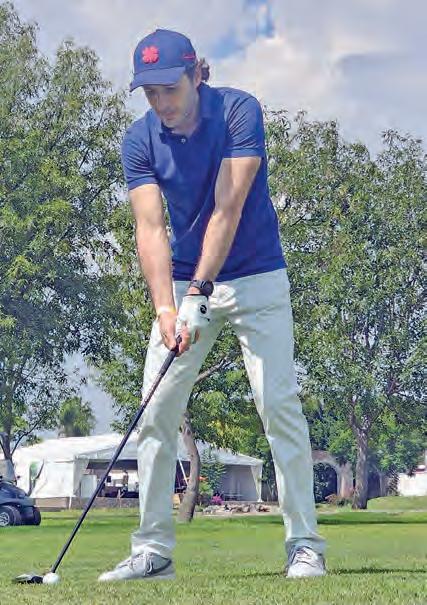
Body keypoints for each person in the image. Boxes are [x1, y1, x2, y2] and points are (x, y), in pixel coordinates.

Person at [99, 29, 326, 582]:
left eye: (170, 88)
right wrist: (166, 310)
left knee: (277, 405)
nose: (161, 102)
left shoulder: (239, 112)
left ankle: (304, 545)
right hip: (182, 282)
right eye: (150, 92)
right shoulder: (139, 140)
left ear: (198, 73)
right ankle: (153, 551)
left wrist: (200, 291)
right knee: (156, 410)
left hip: (256, 277)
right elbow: (150, 229)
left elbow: (228, 207)